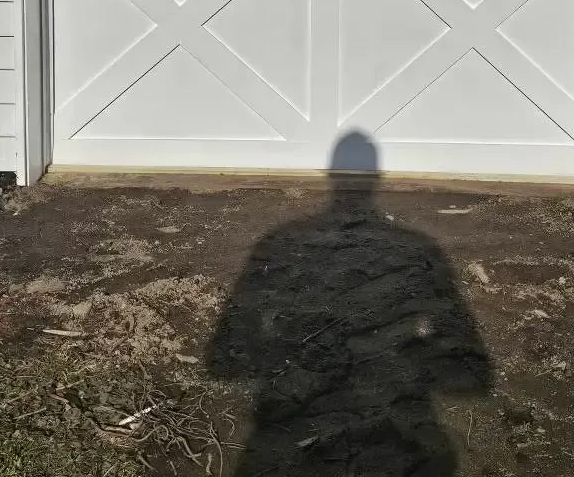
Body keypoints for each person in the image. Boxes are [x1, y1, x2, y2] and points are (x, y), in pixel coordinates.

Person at [205, 131, 493, 476]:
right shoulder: (418, 248)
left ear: (329, 175)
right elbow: (472, 378)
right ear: (378, 178)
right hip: (394, 438)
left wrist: (290, 352)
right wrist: (404, 353)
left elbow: (225, 362)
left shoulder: (281, 240)